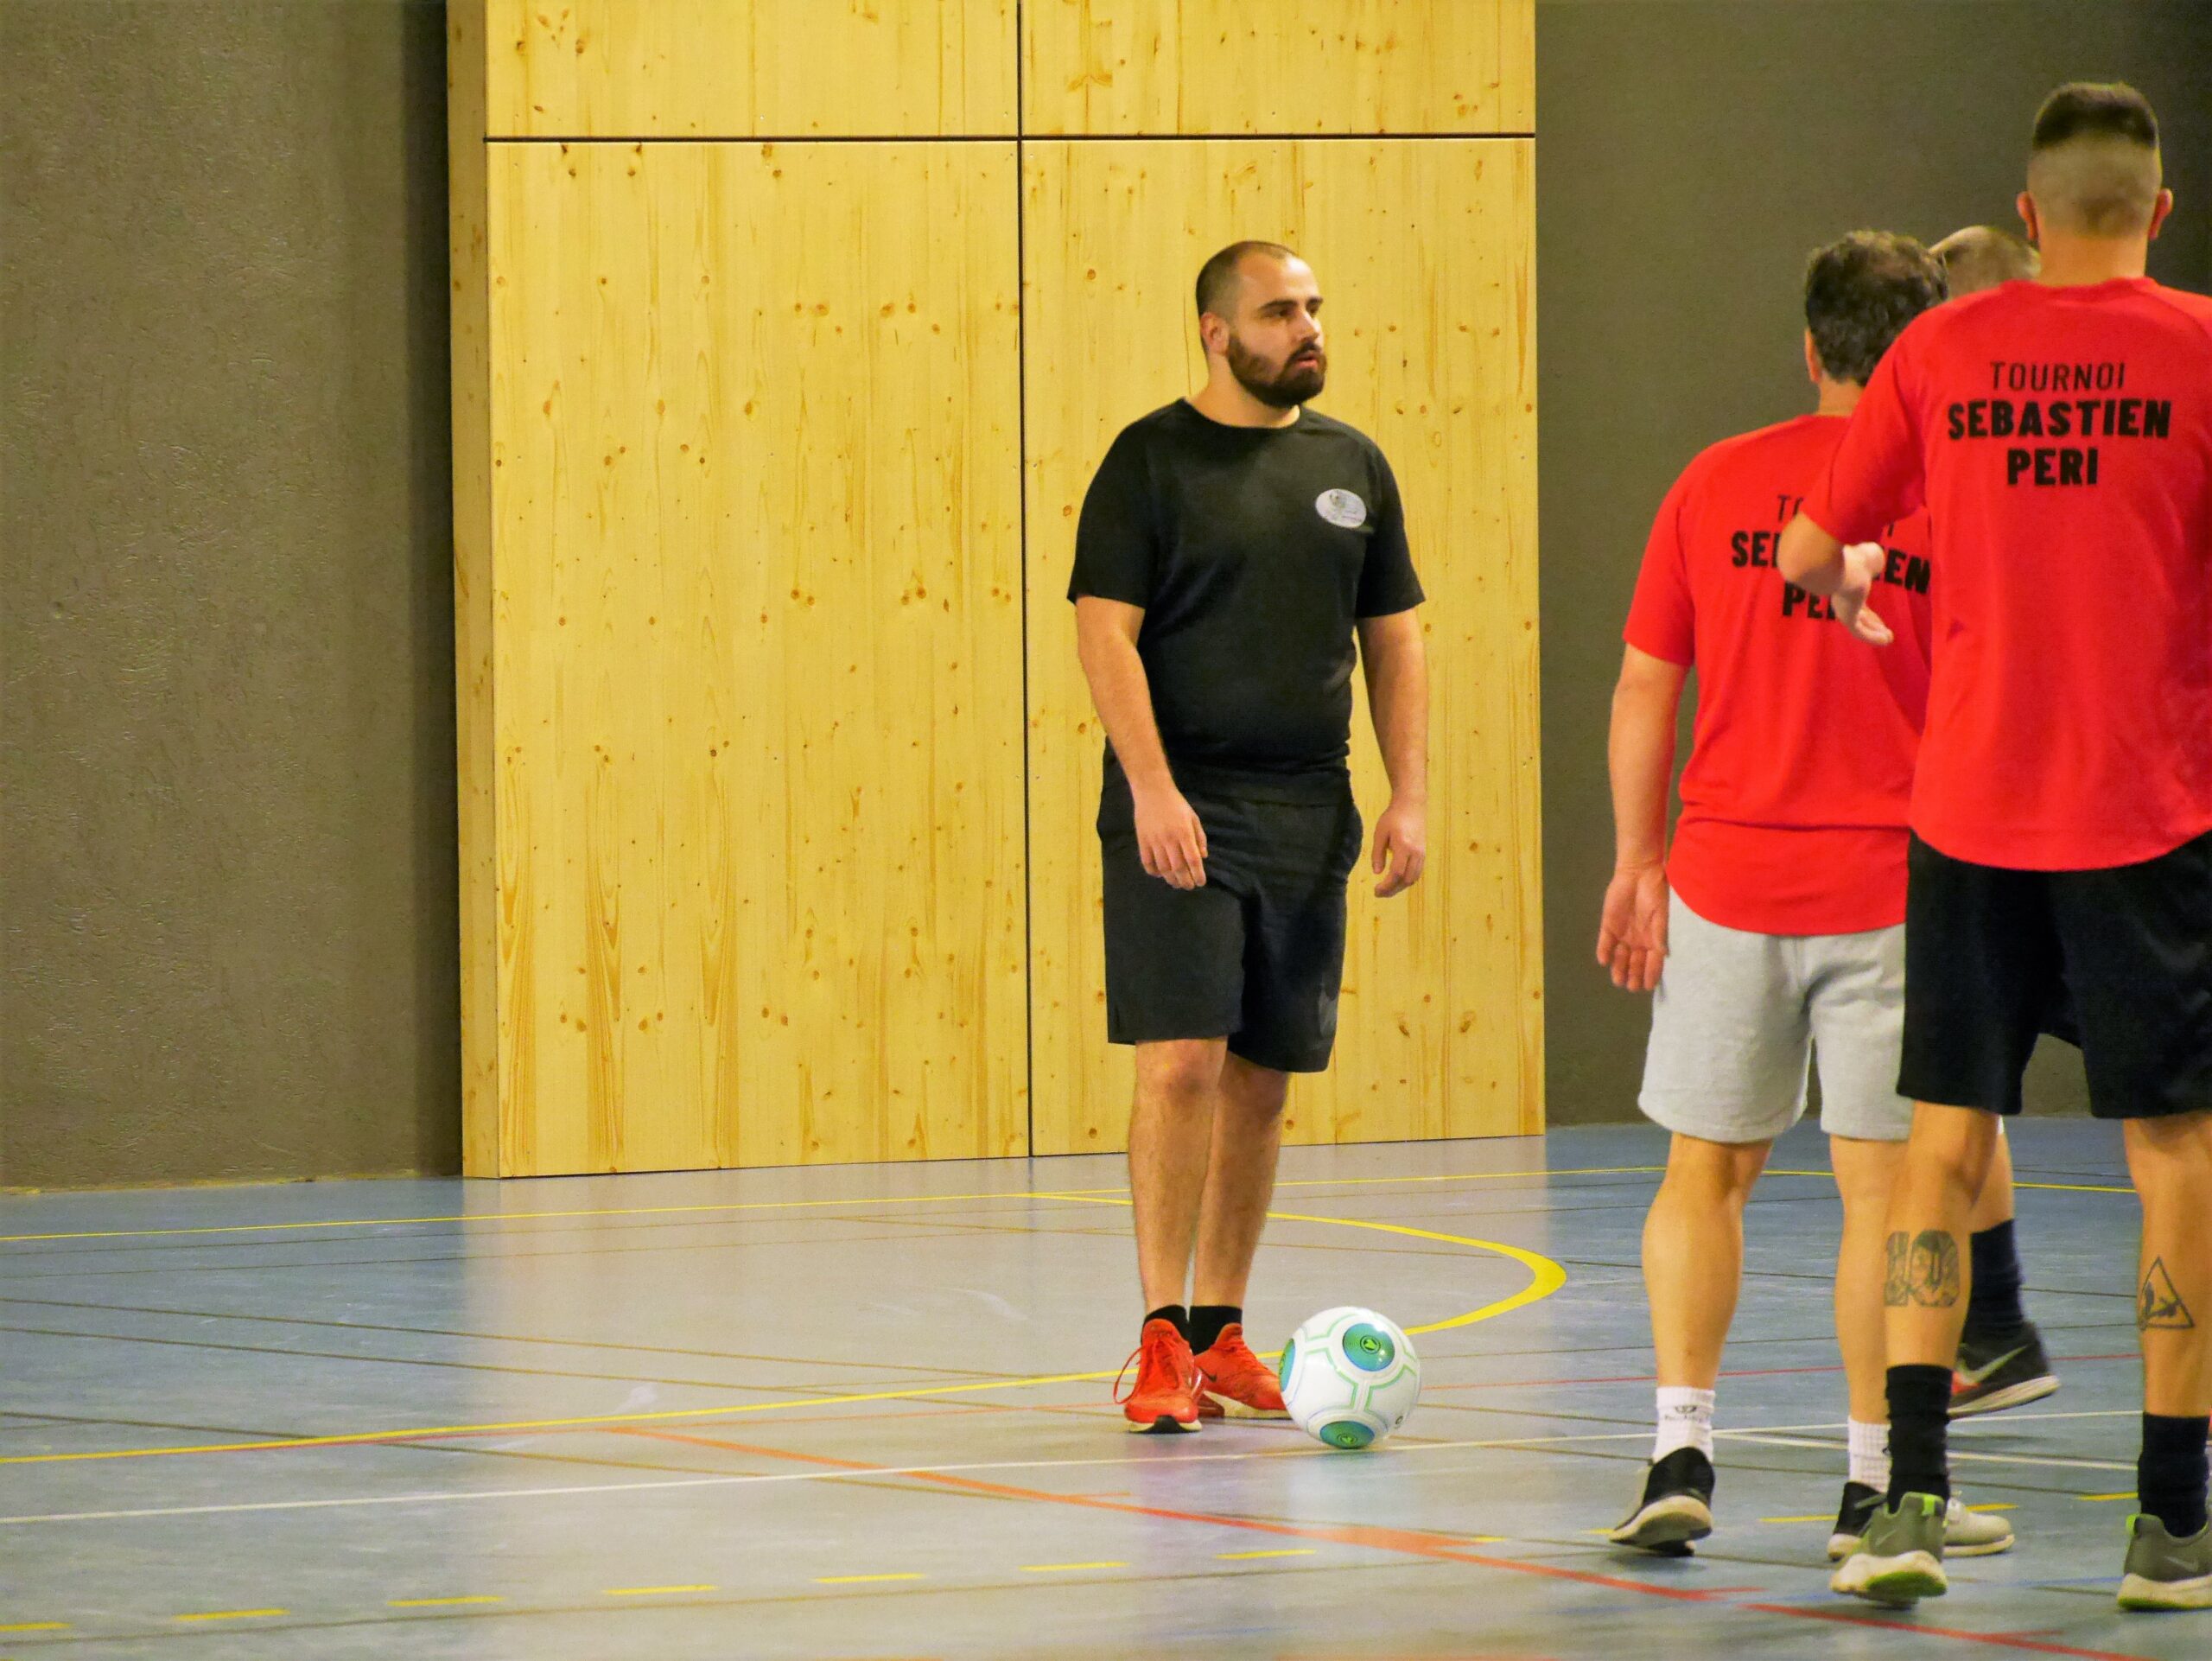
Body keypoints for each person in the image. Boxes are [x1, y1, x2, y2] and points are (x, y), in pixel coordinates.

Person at [1781, 82, 2212, 1612]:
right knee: (2175, 1157)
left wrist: (1855, 583)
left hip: (1966, 812)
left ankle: (1907, 1497)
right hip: (2150, 813)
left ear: (2026, 219)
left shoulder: (1941, 350)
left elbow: (1817, 543)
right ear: (2156, 213)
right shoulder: (2203, 349)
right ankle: (2172, 1520)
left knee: (1942, 1151)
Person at [1599, 231, 2012, 1565]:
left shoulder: (1715, 482)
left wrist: (1637, 856)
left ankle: (1679, 1449)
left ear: (1809, 343)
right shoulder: (1959, 496)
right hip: (1899, 886)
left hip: (1728, 880)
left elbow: (1645, 687)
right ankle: (1872, 1485)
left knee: (1701, 1175)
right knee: (1885, 1195)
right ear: (1923, 347)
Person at [1070, 241, 1429, 1433]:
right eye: (1282, 311)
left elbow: (1394, 640)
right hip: (1183, 803)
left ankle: (1224, 1332)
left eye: (1315, 305)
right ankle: (1159, 1338)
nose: (1309, 326)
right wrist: (1155, 788)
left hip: (1306, 805)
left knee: (1265, 1081)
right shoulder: (1149, 461)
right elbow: (1105, 634)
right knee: (1182, 1062)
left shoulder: (1353, 466)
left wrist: (1407, 791)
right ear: (1219, 334)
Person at [1924, 221, 2063, 1421]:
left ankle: (1898, 1458)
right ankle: (2001, 1321)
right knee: (1966, 1086)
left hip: (2069, 819)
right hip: (2003, 809)